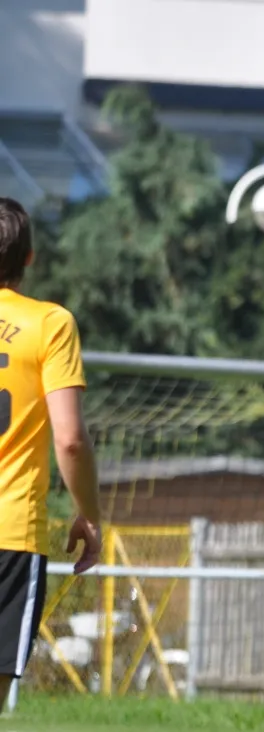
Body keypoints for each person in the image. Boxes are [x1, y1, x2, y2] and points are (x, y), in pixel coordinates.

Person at [0, 197, 101, 704]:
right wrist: (90, 515)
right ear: (29, 258)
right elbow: (70, 440)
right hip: (10, 531)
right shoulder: (50, 324)